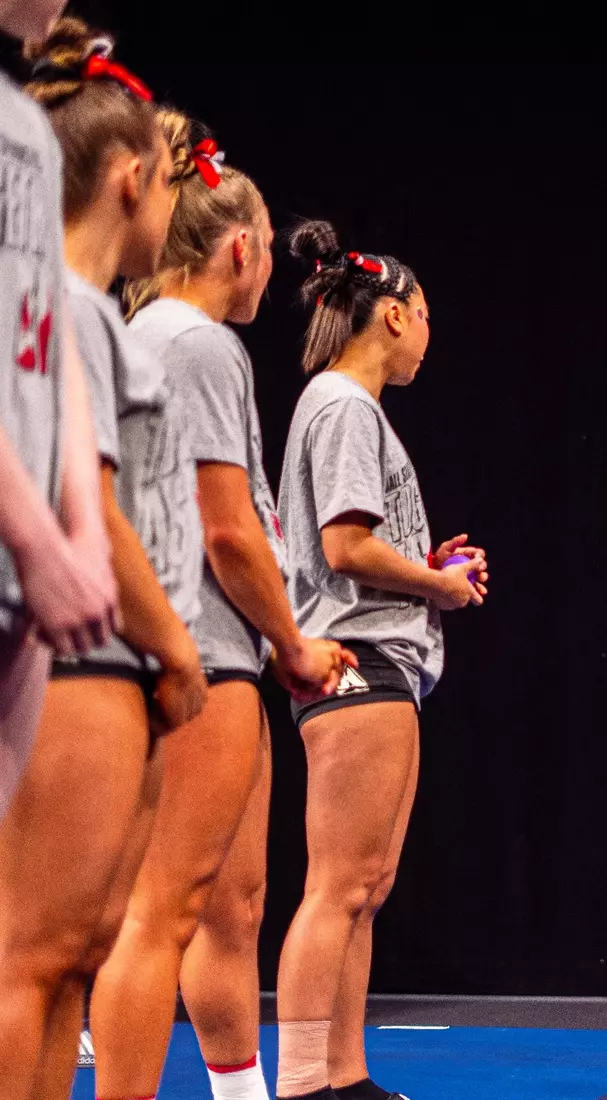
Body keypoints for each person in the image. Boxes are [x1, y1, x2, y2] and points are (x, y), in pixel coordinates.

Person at [90, 112, 352, 1100]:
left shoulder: (157, 336)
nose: (269, 270)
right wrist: (295, 642)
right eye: (268, 246)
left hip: (207, 645)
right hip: (195, 647)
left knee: (227, 902)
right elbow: (227, 529)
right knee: (161, 910)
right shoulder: (195, 342)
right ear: (240, 246)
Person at [0, 21, 204, 1100]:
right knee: (33, 954)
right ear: (132, 178)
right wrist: (175, 645)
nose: (174, 210)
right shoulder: (72, 310)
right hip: (86, 640)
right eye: (171, 185)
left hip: (112, 650)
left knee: (73, 955)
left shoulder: (89, 316)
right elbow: (99, 506)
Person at [274, 219, 484, 1100]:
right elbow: (346, 547)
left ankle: (344, 1075)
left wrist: (426, 568)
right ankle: (299, 1083)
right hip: (355, 658)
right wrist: (440, 585)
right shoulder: (345, 405)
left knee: (366, 885)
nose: (430, 336)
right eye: (426, 315)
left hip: (376, 656)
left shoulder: (348, 408)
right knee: (338, 885)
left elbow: (355, 545)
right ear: (394, 315)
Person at [0, 0, 119, 823]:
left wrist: (81, 533)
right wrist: (37, 538)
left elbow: (52, 347)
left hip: (23, 577)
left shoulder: (28, 132)